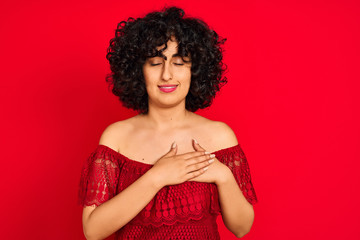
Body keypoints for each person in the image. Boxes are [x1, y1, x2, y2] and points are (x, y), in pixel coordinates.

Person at [78, 6, 258, 240]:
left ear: (196, 69)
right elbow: (92, 231)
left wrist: (222, 175)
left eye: (180, 62)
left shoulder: (219, 135)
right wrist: (157, 177)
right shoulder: (117, 137)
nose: (167, 75)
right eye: (155, 62)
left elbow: (242, 228)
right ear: (138, 70)